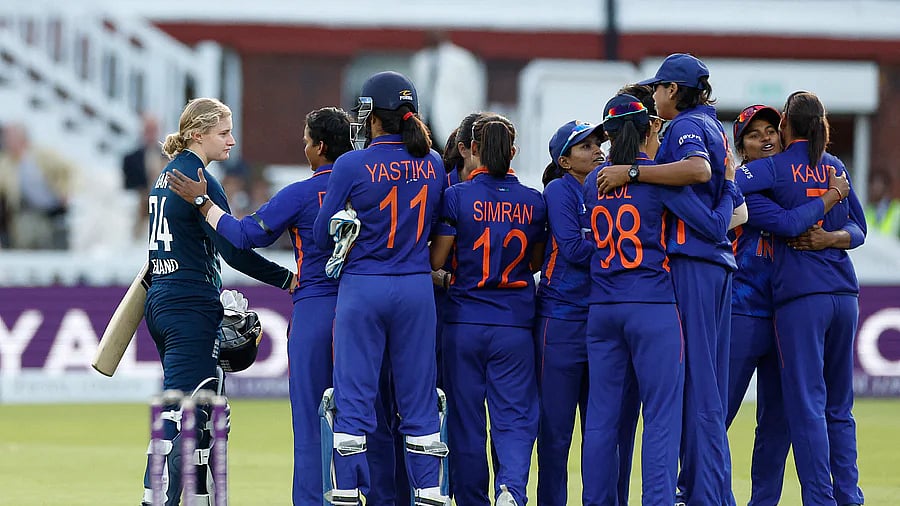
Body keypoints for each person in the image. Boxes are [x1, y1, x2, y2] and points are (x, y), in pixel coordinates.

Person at [166, 106, 403, 505]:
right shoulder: (376, 188)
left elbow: (242, 238)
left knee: (311, 423)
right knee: (371, 416)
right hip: (368, 310)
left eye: (307, 142)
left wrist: (203, 202)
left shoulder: (300, 192)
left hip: (314, 311)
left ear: (321, 147)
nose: (305, 148)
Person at [582, 93, 744, 505]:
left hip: (602, 308)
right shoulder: (654, 177)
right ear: (650, 128)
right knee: (660, 418)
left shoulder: (591, 182)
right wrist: (726, 184)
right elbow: (711, 225)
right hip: (652, 306)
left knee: (601, 421)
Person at [140, 97, 296, 506]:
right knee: (185, 415)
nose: (232, 140)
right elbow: (235, 250)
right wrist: (288, 278)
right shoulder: (198, 180)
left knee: (193, 412)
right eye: (223, 132)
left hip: (163, 299)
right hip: (190, 302)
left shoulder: (166, 175)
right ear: (197, 134)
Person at [312, 71, 448, 506]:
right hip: (414, 287)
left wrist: (350, 226)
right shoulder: (434, 162)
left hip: (363, 288)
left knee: (353, 400)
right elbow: (441, 226)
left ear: (372, 113)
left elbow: (320, 235)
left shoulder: (352, 164)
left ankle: (349, 494)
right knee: (420, 403)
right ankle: (428, 493)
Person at [735, 91, 866, 506]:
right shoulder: (834, 168)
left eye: (772, 129)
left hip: (799, 300)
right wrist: (834, 228)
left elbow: (736, 186)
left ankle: (820, 499)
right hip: (842, 295)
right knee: (839, 407)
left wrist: (824, 233)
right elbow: (860, 229)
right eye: (754, 134)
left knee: (804, 406)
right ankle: (849, 497)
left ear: (787, 126)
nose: (767, 138)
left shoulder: (773, 169)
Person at [430, 113, 546, 506]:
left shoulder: (456, 197)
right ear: (513, 152)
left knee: (467, 422)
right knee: (514, 418)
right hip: (514, 323)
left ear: (473, 150)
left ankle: (472, 499)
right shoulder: (534, 202)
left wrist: (450, 279)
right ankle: (511, 489)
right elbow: (535, 261)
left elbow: (436, 261)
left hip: (463, 321)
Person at [533, 119, 603, 505]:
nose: (597, 150)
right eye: (585, 146)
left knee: (600, 431)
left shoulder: (607, 185)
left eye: (597, 143)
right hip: (560, 320)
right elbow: (574, 250)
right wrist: (618, 239)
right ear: (564, 160)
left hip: (598, 321)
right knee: (556, 434)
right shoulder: (560, 189)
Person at [0, 122, 76, 249]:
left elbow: (70, 171)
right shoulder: (6, 163)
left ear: (21, 137)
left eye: (9, 137)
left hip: (55, 208)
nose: (5, 140)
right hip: (30, 212)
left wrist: (66, 192)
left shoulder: (43, 154)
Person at [410, 31, 488, 148]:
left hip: (450, 125)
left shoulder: (462, 60)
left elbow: (473, 97)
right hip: (425, 126)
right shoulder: (421, 60)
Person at [123, 113, 168, 240]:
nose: (151, 134)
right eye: (148, 130)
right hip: (141, 202)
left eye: (154, 130)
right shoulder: (130, 158)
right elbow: (127, 185)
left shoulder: (168, 157)